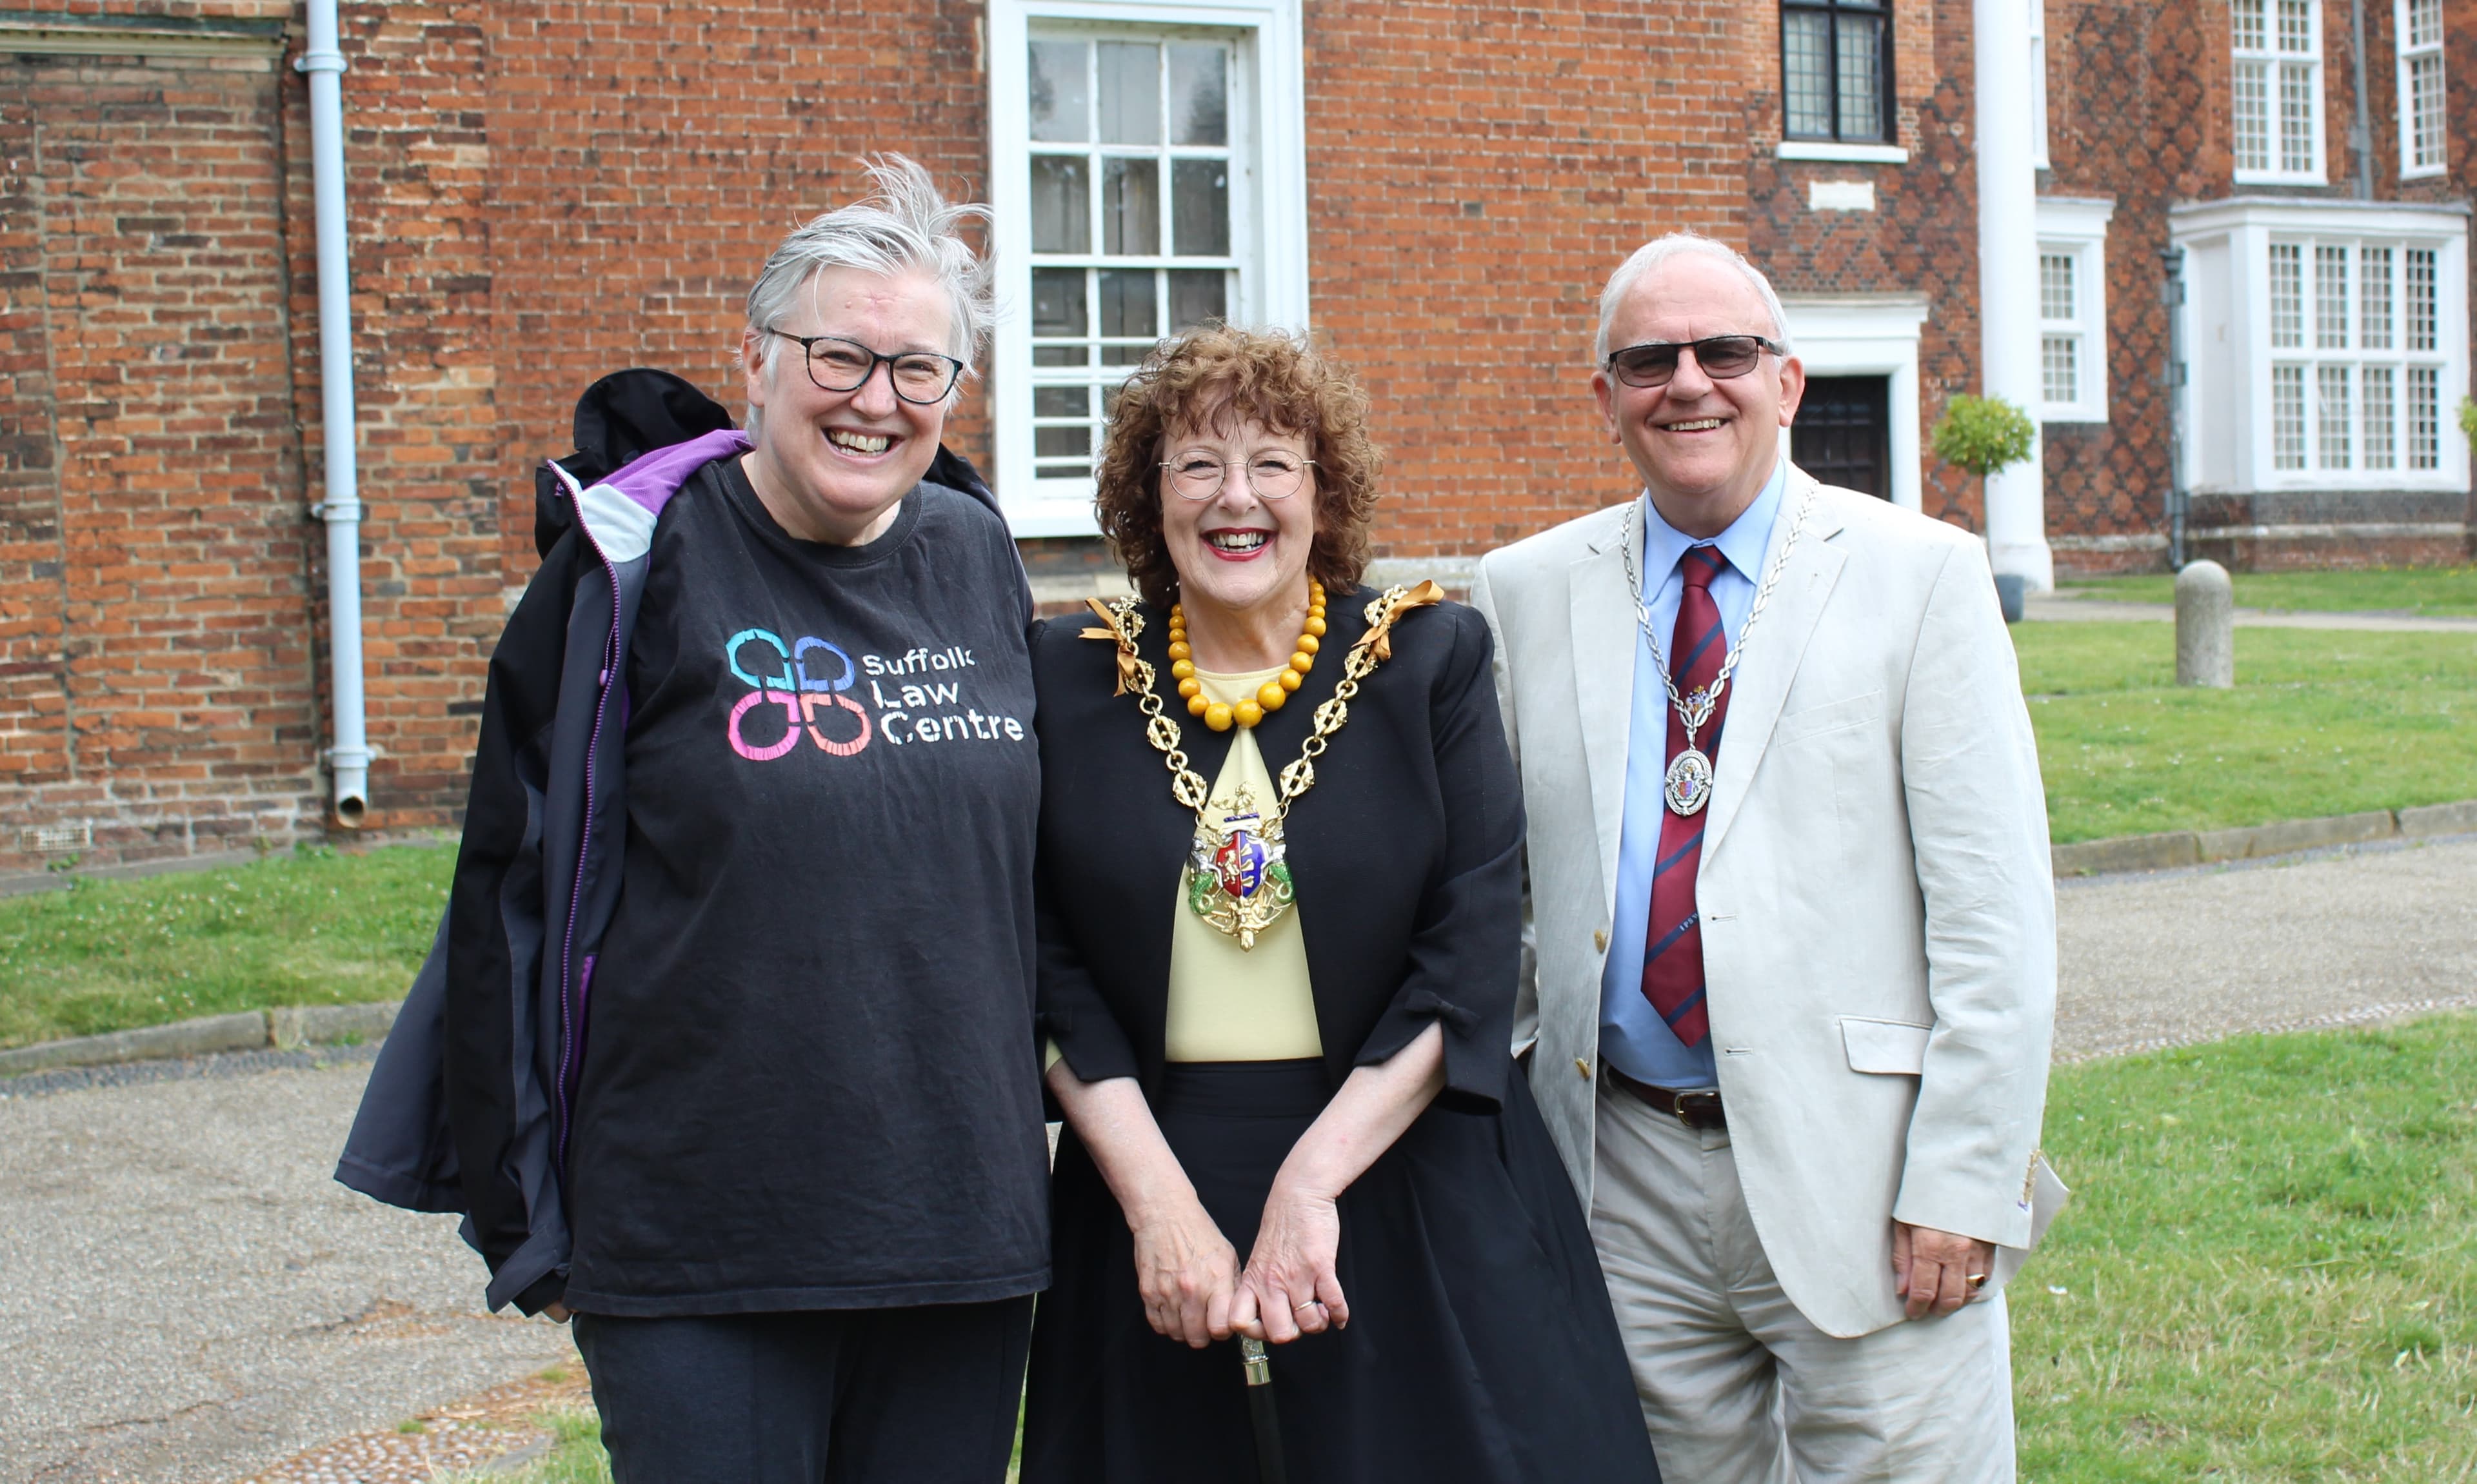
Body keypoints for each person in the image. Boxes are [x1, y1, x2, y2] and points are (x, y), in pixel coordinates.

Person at [337, 157, 1048, 1484]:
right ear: (761, 360)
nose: (876, 399)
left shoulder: (976, 554)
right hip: (697, 1238)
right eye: (841, 355)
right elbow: (513, 895)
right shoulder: (637, 566)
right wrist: (526, 1212)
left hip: (956, 1231)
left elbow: (1050, 889)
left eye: (919, 371)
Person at [1020, 324, 1660, 1484]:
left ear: (1325, 489)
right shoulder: (1068, 674)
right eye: (1197, 463)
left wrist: (1310, 1184)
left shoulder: (1430, 658)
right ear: (1146, 493)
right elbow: (1043, 959)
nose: (1237, 497)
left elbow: (1470, 948)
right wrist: (1157, 1204)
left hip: (1404, 1170)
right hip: (1151, 1182)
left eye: (1275, 462)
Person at [1470, 234, 2063, 1481]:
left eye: (1724, 352)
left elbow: (1995, 919)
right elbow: (1511, 901)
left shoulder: (1922, 577)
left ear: (1785, 381)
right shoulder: (1523, 589)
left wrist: (1966, 1178)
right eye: (1648, 359)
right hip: (1619, 1180)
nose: (1688, 383)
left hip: (1868, 1173)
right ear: (1606, 398)